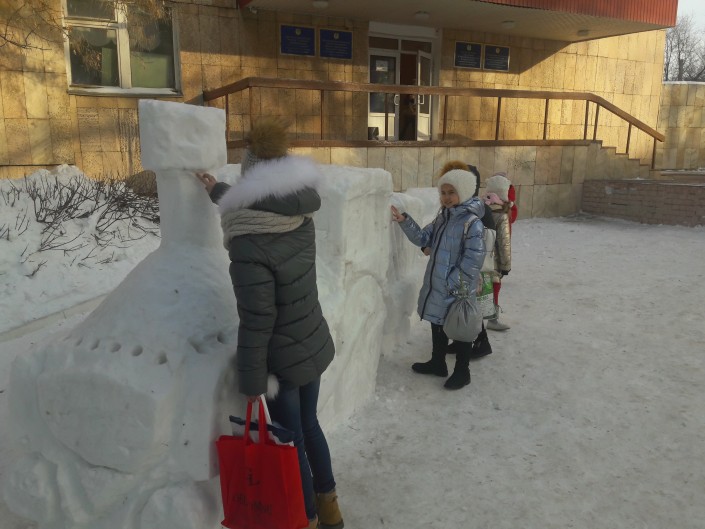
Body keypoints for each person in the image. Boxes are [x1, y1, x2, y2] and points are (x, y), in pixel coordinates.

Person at [196, 118, 343, 529]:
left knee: (289, 441)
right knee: (310, 426)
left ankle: (306, 519)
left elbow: (257, 319)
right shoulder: (299, 212)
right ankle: (330, 509)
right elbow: (260, 206)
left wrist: (252, 382)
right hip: (310, 337)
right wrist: (217, 190)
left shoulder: (249, 241)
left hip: (280, 358)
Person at [391, 166, 485, 390]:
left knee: (460, 328)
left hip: (458, 288)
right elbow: (423, 238)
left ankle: (462, 371)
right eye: (443, 193)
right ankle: (437, 362)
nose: (446, 197)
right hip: (439, 285)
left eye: (451, 192)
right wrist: (404, 220)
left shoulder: (472, 223)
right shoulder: (443, 218)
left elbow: (473, 259)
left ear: (464, 192)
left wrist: (452, 282)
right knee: (437, 322)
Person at [484, 172, 513, 331]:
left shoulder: (480, 210)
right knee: (495, 287)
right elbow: (504, 243)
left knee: (481, 289)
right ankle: (492, 320)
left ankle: (478, 318)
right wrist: (505, 266)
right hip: (493, 260)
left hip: (478, 259)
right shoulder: (501, 216)